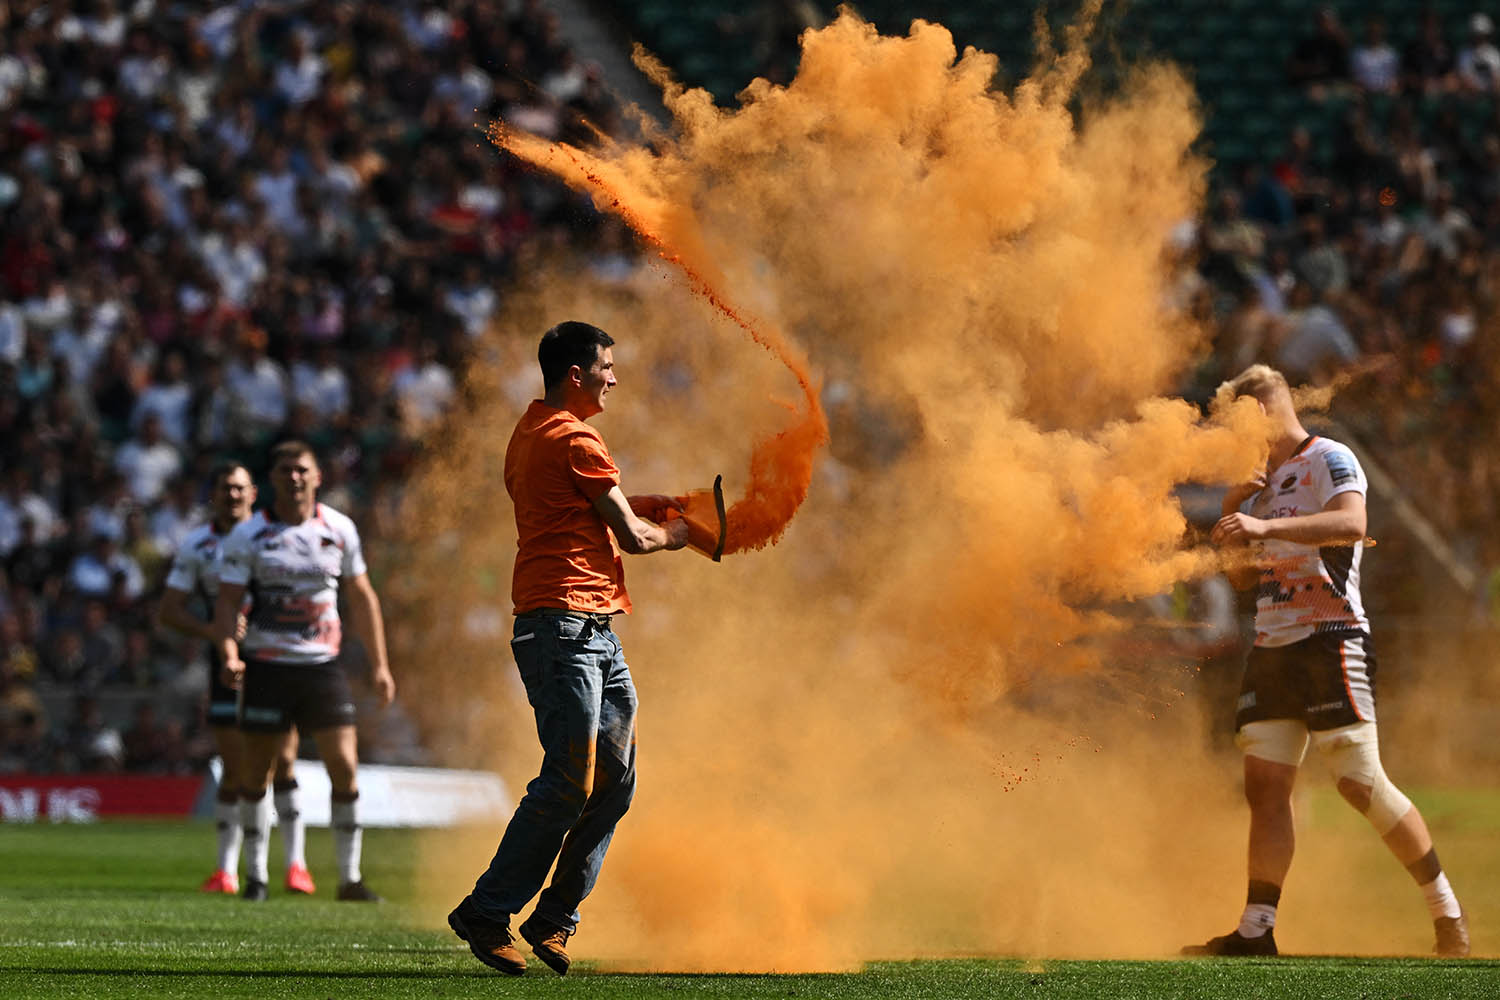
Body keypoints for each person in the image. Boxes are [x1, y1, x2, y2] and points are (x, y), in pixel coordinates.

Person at [1186, 365, 1469, 958]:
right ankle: (1256, 928)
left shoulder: (1330, 457)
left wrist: (1261, 521)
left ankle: (1447, 913)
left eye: (1237, 425)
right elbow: (1243, 580)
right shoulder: (1259, 485)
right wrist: (1236, 516)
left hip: (1331, 635)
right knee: (1265, 785)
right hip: (1272, 643)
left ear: (1258, 412)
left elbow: (1353, 524)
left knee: (1358, 780)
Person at [447, 321, 691, 976]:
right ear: (576, 375)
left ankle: (553, 918)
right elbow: (635, 542)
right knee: (570, 779)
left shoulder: (531, 432)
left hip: (587, 628)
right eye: (607, 366)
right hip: (564, 628)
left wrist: (638, 507)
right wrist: (686, 532)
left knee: (614, 779)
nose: (615, 377)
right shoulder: (576, 435)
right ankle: (486, 911)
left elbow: (571, 514)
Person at [214, 441, 395, 902]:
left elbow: (361, 597)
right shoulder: (248, 535)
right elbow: (227, 602)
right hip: (267, 667)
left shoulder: (339, 529)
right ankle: (255, 877)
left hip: (322, 667)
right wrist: (229, 654)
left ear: (317, 477)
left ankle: (349, 879)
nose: (294, 477)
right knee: (256, 774)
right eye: (285, 470)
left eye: (302, 470)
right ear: (272, 479)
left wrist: (379, 665)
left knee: (345, 768)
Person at [156, 462, 314, 896]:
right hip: (224, 663)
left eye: (240, 487)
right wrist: (215, 631)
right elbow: (169, 610)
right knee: (236, 762)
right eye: (225, 487)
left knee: (283, 757)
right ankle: (228, 870)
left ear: (253, 492)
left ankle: (296, 866)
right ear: (214, 495)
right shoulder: (198, 545)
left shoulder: (273, 536)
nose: (233, 495)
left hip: (276, 658)